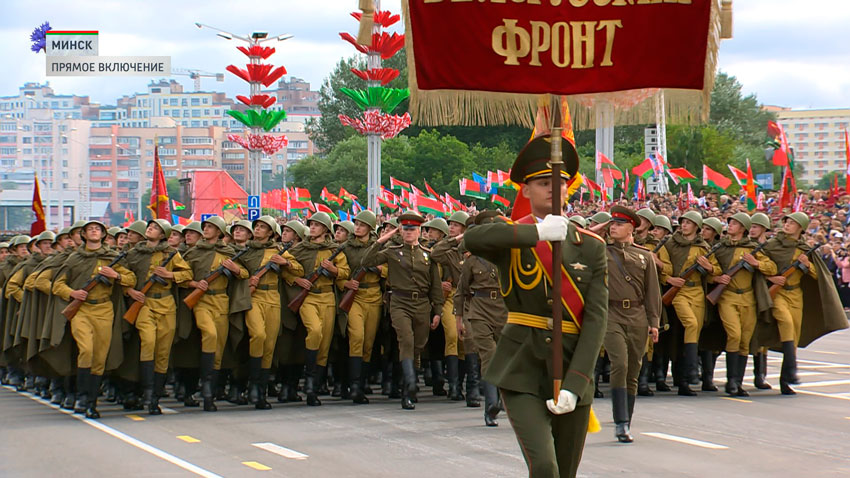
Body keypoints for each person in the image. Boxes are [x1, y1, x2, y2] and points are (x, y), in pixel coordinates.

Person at [465, 134, 608, 478]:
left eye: (559, 183)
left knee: (565, 471)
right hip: (522, 366)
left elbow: (596, 321)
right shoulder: (514, 236)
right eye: (543, 184)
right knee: (544, 466)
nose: (552, 190)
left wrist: (575, 384)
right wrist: (538, 235)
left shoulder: (590, 246)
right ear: (526, 191)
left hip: (573, 362)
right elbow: (473, 238)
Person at [52, 221, 136, 418]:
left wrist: (115, 275)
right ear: (83, 234)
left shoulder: (112, 257)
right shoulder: (74, 258)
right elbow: (58, 284)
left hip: (104, 309)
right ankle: (81, 396)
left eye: (97, 229)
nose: (94, 231)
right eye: (89, 229)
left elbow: (131, 279)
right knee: (86, 350)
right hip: (81, 309)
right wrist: (73, 292)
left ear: (104, 234)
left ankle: (91, 402)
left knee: (99, 357)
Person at [361, 210, 444, 410]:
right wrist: (383, 239)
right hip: (399, 302)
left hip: (422, 305)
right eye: (405, 229)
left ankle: (410, 382)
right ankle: (409, 387)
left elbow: (435, 286)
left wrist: (438, 311)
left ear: (419, 231)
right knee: (406, 340)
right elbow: (367, 262)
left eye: (412, 229)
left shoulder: (427, 255)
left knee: (418, 344)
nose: (408, 232)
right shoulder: (392, 251)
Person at [762, 212, 847, 395]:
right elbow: (759, 267)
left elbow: (819, 276)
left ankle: (786, 380)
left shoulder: (803, 249)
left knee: (793, 335)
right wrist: (772, 277)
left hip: (796, 296)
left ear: (800, 227)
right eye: (786, 222)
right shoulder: (772, 245)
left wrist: (807, 265)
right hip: (778, 295)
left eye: (792, 223)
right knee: (785, 324)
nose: (787, 225)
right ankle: (790, 371)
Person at [603, 206, 661, 443]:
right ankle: (620, 421)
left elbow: (652, 292)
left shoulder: (645, 256)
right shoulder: (601, 251)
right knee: (620, 363)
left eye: (618, 224)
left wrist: (654, 321)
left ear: (631, 229)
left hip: (637, 316)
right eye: (611, 223)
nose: (613, 227)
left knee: (633, 370)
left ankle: (627, 420)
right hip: (611, 314)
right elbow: (579, 240)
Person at [124, 219, 193, 415]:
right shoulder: (135, 253)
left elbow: (187, 274)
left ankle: (155, 397)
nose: (150, 229)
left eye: (155, 228)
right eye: (149, 227)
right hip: (144, 303)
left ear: (163, 235)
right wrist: (130, 291)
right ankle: (146, 392)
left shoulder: (171, 254)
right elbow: (123, 274)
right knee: (148, 343)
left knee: (163, 351)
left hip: (166, 304)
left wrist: (170, 275)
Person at [181, 215, 249, 411]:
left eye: (211, 227)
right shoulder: (195, 252)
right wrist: (194, 283)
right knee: (209, 334)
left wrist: (235, 269)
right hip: (201, 300)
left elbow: (245, 274)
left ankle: (209, 391)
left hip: (222, 301)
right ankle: (205, 388)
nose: (206, 230)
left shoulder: (229, 252)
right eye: (205, 227)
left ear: (219, 232)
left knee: (218, 346)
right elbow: (182, 274)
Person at [709, 213, 776, 397]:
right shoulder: (721, 247)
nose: (730, 226)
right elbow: (710, 268)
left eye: (735, 223)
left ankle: (737, 382)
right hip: (727, 297)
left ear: (743, 228)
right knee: (734, 335)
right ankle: (731, 381)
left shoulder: (753, 248)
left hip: (748, 298)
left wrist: (756, 263)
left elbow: (771, 267)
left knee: (745, 340)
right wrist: (716, 277)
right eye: (730, 222)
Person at [289, 212, 350, 407]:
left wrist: (334, 270)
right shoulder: (301, 249)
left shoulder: (334, 250)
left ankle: (313, 388)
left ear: (325, 229)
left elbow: (345, 272)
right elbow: (287, 268)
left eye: (317, 225)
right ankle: (308, 380)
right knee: (314, 331)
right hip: (308, 297)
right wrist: (296, 279)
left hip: (328, 297)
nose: (312, 228)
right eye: (311, 225)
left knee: (324, 342)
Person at [241, 215, 303, 409]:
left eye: (263, 227)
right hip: (254, 297)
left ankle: (261, 391)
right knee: (258, 335)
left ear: (270, 233)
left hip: (273, 298)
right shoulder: (245, 251)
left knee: (269, 344)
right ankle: (252, 383)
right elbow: (239, 273)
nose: (258, 229)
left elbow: (298, 270)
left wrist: (285, 263)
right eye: (257, 226)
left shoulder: (278, 251)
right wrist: (246, 279)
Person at [657, 210, 721, 396]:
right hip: (679, 292)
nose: (684, 225)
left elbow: (715, 271)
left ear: (696, 227)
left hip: (697, 291)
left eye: (688, 223)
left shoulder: (703, 247)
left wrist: (708, 267)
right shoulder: (669, 243)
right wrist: (669, 279)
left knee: (695, 328)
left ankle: (686, 378)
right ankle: (692, 368)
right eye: (683, 222)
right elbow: (662, 266)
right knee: (691, 324)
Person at [454, 209, 509, 426]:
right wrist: (459, 319)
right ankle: (491, 406)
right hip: (479, 311)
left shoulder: (508, 256)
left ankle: (502, 399)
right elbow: (461, 291)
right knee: (489, 355)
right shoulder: (472, 260)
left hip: (503, 310)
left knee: (504, 357)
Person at [432, 211, 477, 404]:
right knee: (451, 335)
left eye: (456, 225)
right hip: (452, 299)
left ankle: (462, 385)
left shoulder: (474, 250)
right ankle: (453, 386)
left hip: (472, 301)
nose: (451, 228)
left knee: (464, 341)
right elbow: (435, 253)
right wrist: (456, 239)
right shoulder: (449, 251)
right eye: (450, 225)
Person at [339, 210, 383, 405]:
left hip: (373, 295)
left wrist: (380, 269)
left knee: (368, 343)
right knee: (356, 337)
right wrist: (345, 283)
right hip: (354, 296)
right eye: (356, 224)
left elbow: (389, 267)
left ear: (370, 228)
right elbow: (339, 271)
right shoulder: (345, 247)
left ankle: (361, 383)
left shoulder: (379, 247)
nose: (357, 227)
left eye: (362, 225)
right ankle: (354, 386)